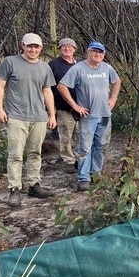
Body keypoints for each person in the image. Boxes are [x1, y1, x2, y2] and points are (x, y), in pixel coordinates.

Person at [0, 33, 57, 207]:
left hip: (39, 117)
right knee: (15, 155)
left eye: (36, 47)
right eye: (29, 46)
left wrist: (51, 114)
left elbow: (47, 92)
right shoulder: (10, 62)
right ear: (23, 45)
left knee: (35, 153)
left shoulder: (45, 67)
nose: (33, 50)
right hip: (16, 116)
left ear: (41, 48)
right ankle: (14, 188)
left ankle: (34, 185)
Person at [57, 41, 121, 192]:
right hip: (88, 116)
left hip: (105, 114)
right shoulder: (78, 68)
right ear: (88, 52)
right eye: (95, 51)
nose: (98, 54)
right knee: (85, 147)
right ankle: (83, 178)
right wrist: (75, 106)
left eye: (101, 52)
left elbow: (117, 81)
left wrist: (113, 98)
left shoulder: (107, 68)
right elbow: (62, 86)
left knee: (101, 145)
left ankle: (96, 173)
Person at [49, 37, 78, 174]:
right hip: (62, 106)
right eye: (64, 47)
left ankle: (79, 158)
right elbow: (47, 87)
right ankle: (69, 161)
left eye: (70, 47)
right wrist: (51, 108)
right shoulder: (53, 64)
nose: (67, 49)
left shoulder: (79, 65)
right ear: (60, 49)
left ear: (74, 49)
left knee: (80, 135)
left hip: (81, 107)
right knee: (65, 134)